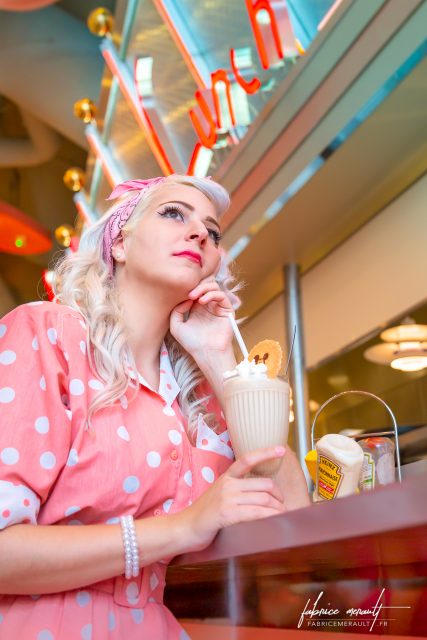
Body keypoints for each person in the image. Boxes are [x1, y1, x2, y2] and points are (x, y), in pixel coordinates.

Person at [0, 175, 310, 639]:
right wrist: (183, 528)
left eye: (213, 230)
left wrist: (217, 357)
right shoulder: (46, 335)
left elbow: (295, 517)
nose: (200, 232)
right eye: (173, 213)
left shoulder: (200, 396)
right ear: (119, 244)